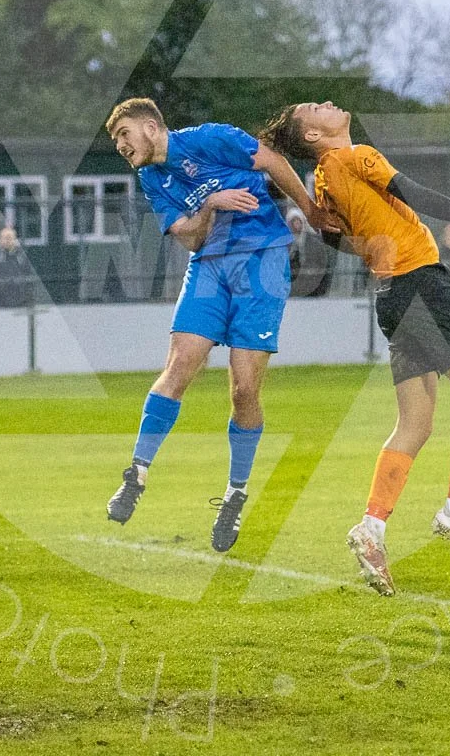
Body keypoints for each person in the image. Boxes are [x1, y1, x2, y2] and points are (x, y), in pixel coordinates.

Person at [262, 100, 450, 596]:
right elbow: (413, 192)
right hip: (421, 285)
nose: (330, 104)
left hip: (391, 296)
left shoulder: (322, 180)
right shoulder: (355, 156)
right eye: (317, 108)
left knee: (415, 425)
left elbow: (334, 235)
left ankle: (372, 529)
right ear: (314, 135)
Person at [103, 97, 331, 553]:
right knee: (180, 365)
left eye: (124, 135)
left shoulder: (210, 137)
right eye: (116, 141)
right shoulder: (151, 177)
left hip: (263, 261)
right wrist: (211, 202)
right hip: (208, 265)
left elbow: (271, 160)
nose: (121, 146)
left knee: (244, 390)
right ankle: (137, 474)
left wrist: (308, 207)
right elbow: (188, 234)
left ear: (150, 126)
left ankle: (234, 496)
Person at [287, 209, 332, 298]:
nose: (296, 224)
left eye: (298, 221)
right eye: (293, 221)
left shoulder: (314, 242)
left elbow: (322, 263)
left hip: (312, 288)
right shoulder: (285, 243)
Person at [0, 226, 33, 308]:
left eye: (11, 238)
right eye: (5, 238)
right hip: (1, 307)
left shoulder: (22, 258)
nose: (8, 240)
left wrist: (28, 302)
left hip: (22, 306)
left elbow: (30, 281)